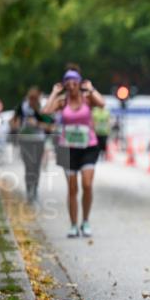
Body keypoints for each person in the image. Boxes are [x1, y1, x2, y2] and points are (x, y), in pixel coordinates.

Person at [43, 68, 106, 238]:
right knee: (72, 188)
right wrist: (54, 93)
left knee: (86, 185)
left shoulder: (87, 99)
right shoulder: (62, 102)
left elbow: (102, 103)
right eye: (68, 83)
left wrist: (91, 89)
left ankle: (85, 221)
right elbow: (46, 112)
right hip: (67, 148)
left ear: (79, 83)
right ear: (64, 85)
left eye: (74, 82)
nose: (71, 86)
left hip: (88, 147)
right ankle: (73, 225)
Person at [9, 86, 55, 202]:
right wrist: (17, 125)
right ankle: (29, 189)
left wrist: (37, 124)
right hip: (25, 141)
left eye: (35, 99)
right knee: (28, 166)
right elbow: (13, 122)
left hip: (38, 141)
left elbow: (50, 126)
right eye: (31, 99)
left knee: (36, 166)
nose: (32, 101)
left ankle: (35, 189)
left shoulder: (42, 110)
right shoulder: (22, 107)